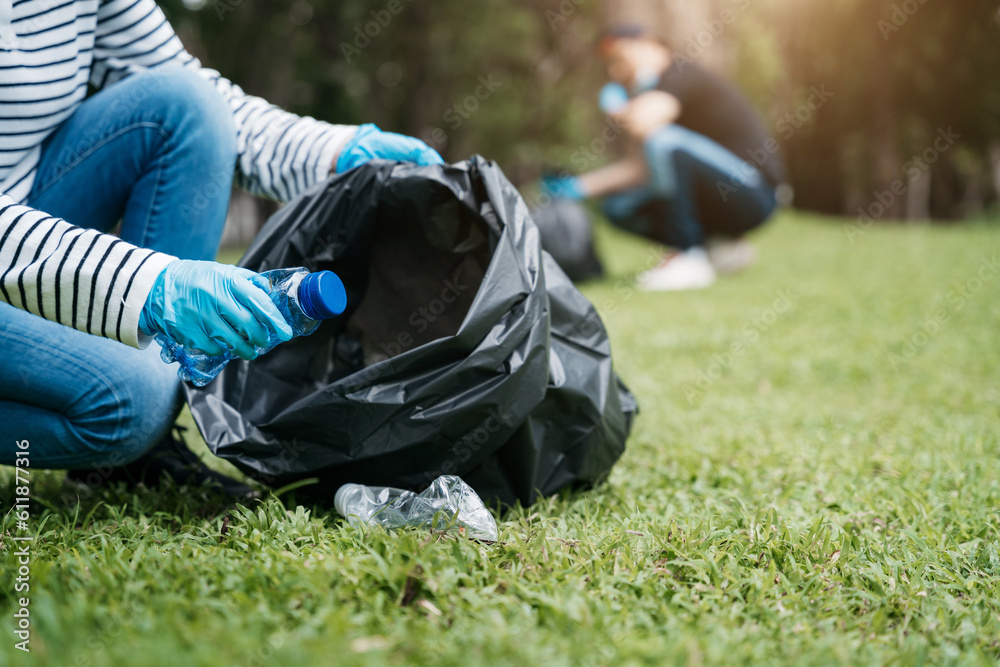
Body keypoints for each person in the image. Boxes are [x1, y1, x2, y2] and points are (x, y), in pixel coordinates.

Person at [0, 0, 443, 497]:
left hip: (27, 211)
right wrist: (145, 284)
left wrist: (336, 152)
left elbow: (197, 91)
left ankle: (138, 461)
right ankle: (134, 421)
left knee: (189, 106)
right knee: (134, 396)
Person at [542, 24, 786, 291]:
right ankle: (719, 247)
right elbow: (638, 169)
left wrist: (616, 106)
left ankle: (688, 258)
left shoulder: (680, 73)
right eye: (610, 66)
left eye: (619, 60)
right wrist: (576, 187)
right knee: (619, 208)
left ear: (648, 44)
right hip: (720, 196)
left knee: (662, 140)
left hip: (754, 193)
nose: (615, 73)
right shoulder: (651, 92)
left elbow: (645, 124)